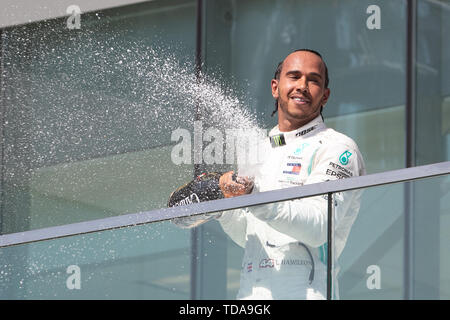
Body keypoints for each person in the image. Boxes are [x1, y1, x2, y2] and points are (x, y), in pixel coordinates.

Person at [174, 49, 366, 300]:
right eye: (294, 76)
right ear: (275, 87)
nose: (302, 86)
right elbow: (250, 235)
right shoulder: (259, 149)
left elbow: (319, 227)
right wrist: (224, 209)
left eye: (313, 80)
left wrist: (255, 195)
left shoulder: (338, 148)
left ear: (325, 96)